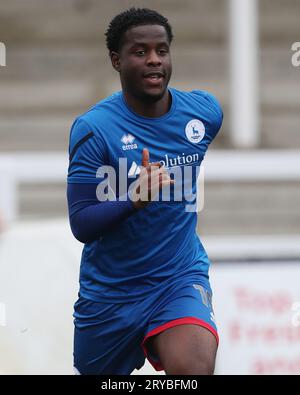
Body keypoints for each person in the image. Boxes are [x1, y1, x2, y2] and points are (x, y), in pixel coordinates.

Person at [67, 7, 223, 375]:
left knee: (193, 369)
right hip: (110, 295)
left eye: (162, 50)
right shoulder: (94, 129)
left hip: (178, 278)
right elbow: (81, 224)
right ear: (116, 60)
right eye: (140, 52)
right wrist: (132, 199)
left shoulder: (203, 115)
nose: (154, 60)